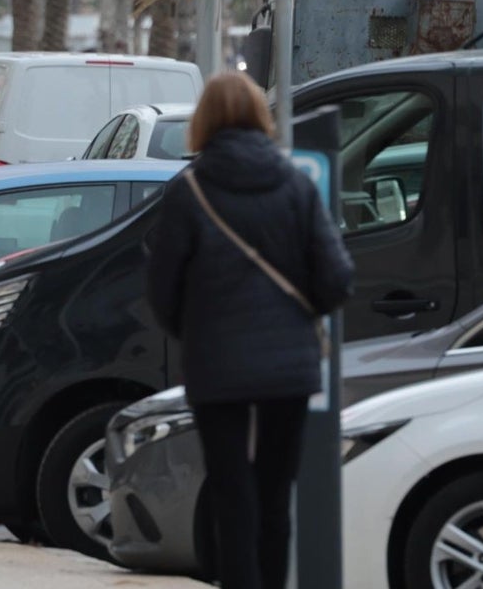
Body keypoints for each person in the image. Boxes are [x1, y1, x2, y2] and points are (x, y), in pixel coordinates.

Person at [145, 71, 354, 589]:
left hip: (217, 365)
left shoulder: (188, 191)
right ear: (261, 117)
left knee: (231, 491)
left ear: (204, 121)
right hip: (289, 367)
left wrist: (192, 330)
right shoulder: (297, 185)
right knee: (274, 492)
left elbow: (161, 288)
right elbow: (337, 277)